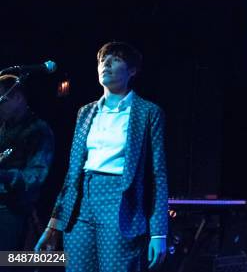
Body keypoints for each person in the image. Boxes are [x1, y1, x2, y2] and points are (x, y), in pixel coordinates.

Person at [35, 42, 168, 271]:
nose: (105, 64)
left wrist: (159, 232)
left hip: (120, 201)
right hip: (80, 204)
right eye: (102, 60)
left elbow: (158, 173)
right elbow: (72, 173)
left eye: (115, 59)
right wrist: (53, 226)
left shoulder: (147, 112)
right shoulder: (86, 112)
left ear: (132, 70)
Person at [0, 74, 54, 252]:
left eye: (1, 100)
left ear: (17, 98)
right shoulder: (2, 128)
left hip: (13, 212)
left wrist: (5, 175)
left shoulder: (38, 130)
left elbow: (35, 177)